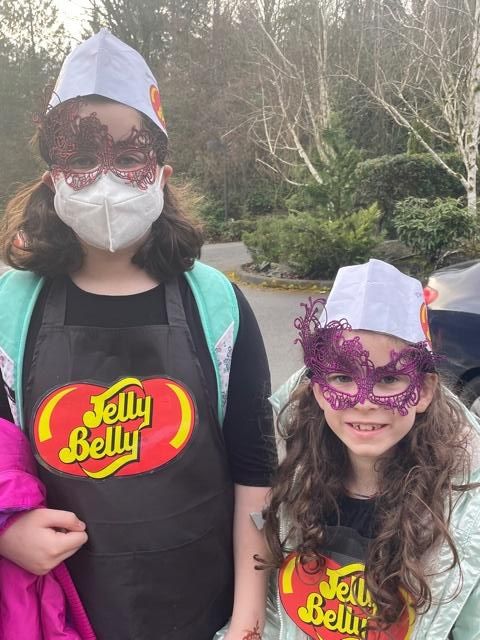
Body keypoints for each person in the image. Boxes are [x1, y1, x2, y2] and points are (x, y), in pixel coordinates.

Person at [0, 29, 274, 640]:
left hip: (204, 613)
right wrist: (6, 529)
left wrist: (248, 618)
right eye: (80, 158)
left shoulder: (217, 304)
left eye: (128, 158)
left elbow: (255, 469)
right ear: (51, 177)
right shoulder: (9, 310)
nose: (106, 180)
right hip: (61, 616)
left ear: (162, 174)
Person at [261, 259, 480, 639]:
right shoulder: (289, 476)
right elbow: (269, 612)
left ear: (424, 391)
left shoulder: (466, 513)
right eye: (342, 377)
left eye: (390, 379)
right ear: (318, 389)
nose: (364, 402)